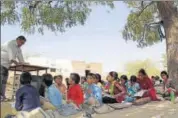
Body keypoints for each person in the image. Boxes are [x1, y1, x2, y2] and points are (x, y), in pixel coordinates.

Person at [1, 36, 28, 101]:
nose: (21, 45)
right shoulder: (11, 44)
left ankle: (2, 97)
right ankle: (1, 97)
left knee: (4, 83)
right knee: (0, 82)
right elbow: (12, 59)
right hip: (1, 65)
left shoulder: (18, 49)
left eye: (23, 44)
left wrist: (25, 63)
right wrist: (18, 64)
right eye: (21, 42)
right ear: (17, 40)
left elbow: (21, 59)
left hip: (6, 67)